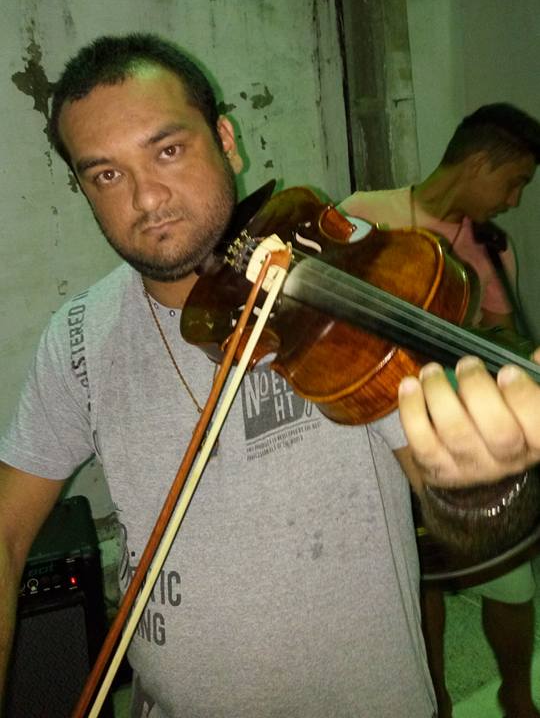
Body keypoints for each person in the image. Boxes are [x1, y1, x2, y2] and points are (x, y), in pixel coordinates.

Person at [1, 36, 540, 718]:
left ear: (226, 141)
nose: (146, 197)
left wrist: (481, 487)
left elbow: (461, 514)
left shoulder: (343, 295)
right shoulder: (77, 335)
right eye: (106, 174)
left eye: (169, 150)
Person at [340, 103, 540, 718]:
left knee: (512, 581)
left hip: (458, 441)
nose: (513, 201)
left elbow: (503, 340)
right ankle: (437, 702)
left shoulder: (491, 248)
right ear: (478, 163)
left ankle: (515, 692)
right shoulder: (363, 213)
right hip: (376, 433)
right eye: (513, 182)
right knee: (416, 582)